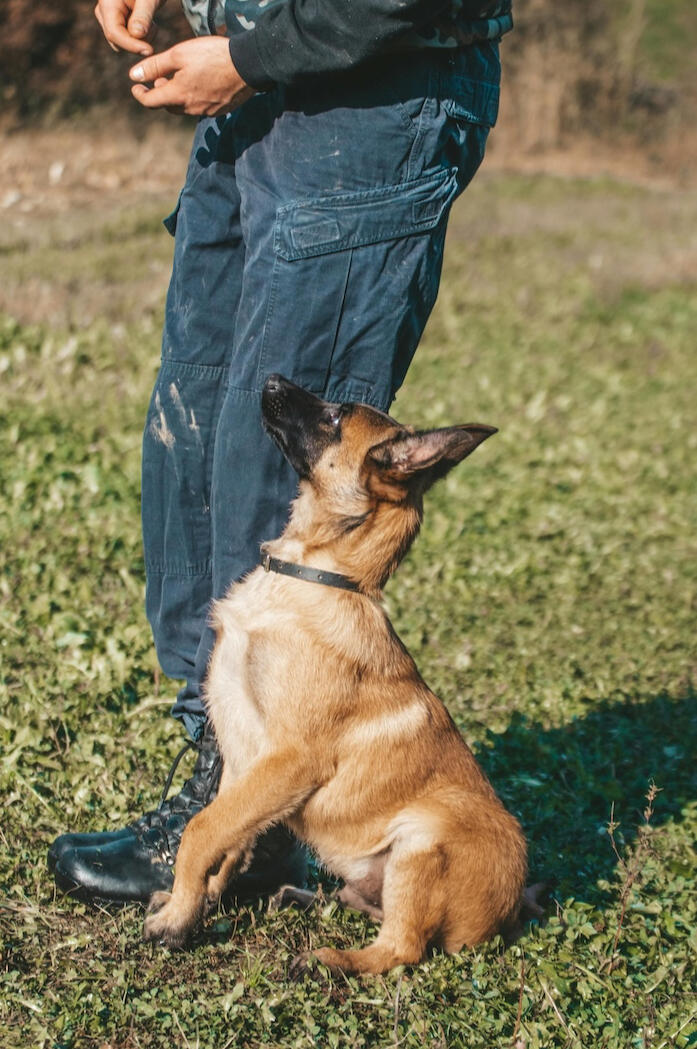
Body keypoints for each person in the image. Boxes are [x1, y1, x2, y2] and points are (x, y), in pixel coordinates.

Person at [49, 0, 512, 903]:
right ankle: (218, 756)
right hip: (258, 98)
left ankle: (247, 815)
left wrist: (256, 52)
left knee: (285, 460)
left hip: (366, 99)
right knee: (194, 432)